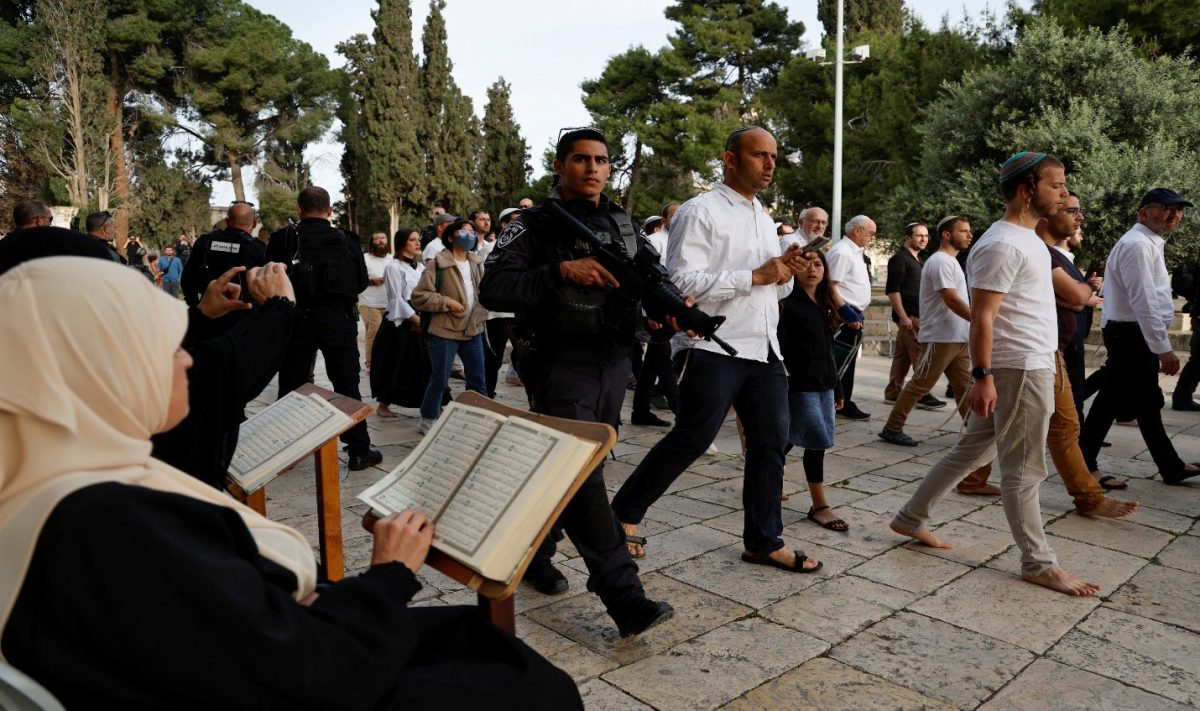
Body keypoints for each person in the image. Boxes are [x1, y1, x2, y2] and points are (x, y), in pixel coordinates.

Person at [0, 257, 582, 710]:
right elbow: (306, 676)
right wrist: (390, 575)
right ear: (92, 369)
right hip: (292, 684)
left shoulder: (59, 478)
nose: (187, 363)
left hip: (251, 657)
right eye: (165, 347)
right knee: (533, 690)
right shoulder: (104, 522)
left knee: (464, 631)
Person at [480, 127, 675, 636]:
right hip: (557, 360)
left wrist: (671, 311)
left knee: (568, 470)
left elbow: (653, 277)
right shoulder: (533, 225)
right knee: (582, 474)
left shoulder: (622, 222)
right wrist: (562, 271)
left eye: (602, 161)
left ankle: (534, 554)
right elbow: (494, 287)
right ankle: (623, 595)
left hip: (612, 359)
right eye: (582, 159)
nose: (593, 168)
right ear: (561, 166)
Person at [610, 126, 822, 574]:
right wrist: (756, 276)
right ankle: (623, 513)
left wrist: (785, 276)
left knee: (771, 444)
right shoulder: (700, 211)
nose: (769, 164)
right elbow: (679, 284)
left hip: (764, 349)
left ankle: (763, 541)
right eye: (759, 155)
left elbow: (766, 290)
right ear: (729, 159)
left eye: (773, 157)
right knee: (692, 437)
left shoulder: (763, 217)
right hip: (715, 345)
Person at [890, 151, 1100, 596]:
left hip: (1030, 363)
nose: (1064, 194)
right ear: (1027, 190)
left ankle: (910, 517)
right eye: (1056, 185)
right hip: (1018, 368)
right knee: (1024, 471)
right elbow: (983, 317)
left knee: (970, 451)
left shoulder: (1029, 241)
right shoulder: (1001, 244)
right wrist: (983, 375)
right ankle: (1038, 562)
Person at [1080, 188, 1200, 486]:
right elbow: (1143, 300)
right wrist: (1163, 349)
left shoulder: (1148, 243)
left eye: (1178, 209)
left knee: (1144, 404)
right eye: (1166, 207)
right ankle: (1083, 464)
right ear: (1143, 212)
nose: (1174, 214)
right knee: (1111, 401)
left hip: (1132, 333)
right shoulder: (1137, 245)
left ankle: (1170, 466)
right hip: (1131, 335)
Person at [878, 216, 995, 502]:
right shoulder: (941, 262)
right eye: (963, 231)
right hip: (942, 336)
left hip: (957, 336)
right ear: (946, 234)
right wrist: (979, 320)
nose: (969, 235)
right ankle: (892, 428)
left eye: (969, 231)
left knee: (965, 385)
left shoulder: (951, 261)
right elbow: (950, 298)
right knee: (920, 384)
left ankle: (974, 429)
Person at [266, 186, 382, 472]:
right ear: (330, 210)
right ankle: (358, 450)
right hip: (338, 321)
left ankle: (283, 455)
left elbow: (267, 279)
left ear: (299, 209)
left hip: (296, 320)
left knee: (291, 386)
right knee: (347, 384)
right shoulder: (347, 239)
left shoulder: (281, 239)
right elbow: (360, 283)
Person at [778, 250, 850, 531]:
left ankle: (762, 470)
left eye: (818, 264)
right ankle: (820, 506)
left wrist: (838, 387)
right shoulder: (787, 305)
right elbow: (782, 350)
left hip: (824, 385)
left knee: (791, 438)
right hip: (799, 385)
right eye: (805, 264)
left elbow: (828, 352)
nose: (812, 269)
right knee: (815, 442)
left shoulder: (823, 305)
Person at [411, 218, 488, 431]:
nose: (470, 236)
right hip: (445, 330)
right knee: (440, 379)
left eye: (473, 233)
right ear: (451, 236)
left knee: (478, 378)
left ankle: (477, 418)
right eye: (464, 232)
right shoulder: (438, 263)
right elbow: (419, 296)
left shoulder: (475, 263)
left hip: (472, 329)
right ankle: (428, 418)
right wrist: (446, 302)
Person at [884, 222, 946, 410]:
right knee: (921, 355)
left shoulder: (917, 260)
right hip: (910, 317)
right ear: (907, 237)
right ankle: (922, 394)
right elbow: (893, 291)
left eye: (926, 236)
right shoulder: (899, 259)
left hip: (917, 316)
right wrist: (903, 316)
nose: (923, 239)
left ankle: (893, 394)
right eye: (919, 235)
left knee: (902, 357)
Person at [825, 214, 876, 421]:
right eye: (870, 233)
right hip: (844, 315)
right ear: (857, 231)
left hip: (854, 314)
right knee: (839, 362)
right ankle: (837, 401)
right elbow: (830, 286)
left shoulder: (855, 252)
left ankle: (844, 401)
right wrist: (846, 313)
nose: (872, 237)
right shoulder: (842, 252)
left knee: (848, 363)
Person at [630, 214, 679, 427]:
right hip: (657, 313)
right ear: (664, 220)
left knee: (652, 365)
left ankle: (640, 411)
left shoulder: (679, 240)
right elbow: (646, 278)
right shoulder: (655, 241)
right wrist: (649, 314)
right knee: (664, 362)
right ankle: (682, 414)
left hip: (672, 310)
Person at [372, 228, 427, 418]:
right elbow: (396, 298)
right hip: (400, 322)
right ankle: (384, 404)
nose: (417, 243)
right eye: (413, 240)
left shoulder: (421, 267)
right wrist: (414, 318)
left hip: (421, 315)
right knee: (396, 363)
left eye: (418, 239)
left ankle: (434, 403)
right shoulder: (393, 267)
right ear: (403, 242)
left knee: (425, 363)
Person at [180, 202, 268, 312]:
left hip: (209, 309)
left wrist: (194, 305)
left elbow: (188, 277)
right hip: (243, 313)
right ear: (254, 224)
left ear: (227, 221)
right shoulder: (258, 248)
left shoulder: (205, 242)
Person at [481, 208, 521, 397]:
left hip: (519, 312)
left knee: (523, 355)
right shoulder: (489, 249)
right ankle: (487, 393)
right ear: (505, 225)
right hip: (495, 314)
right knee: (494, 357)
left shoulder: (526, 248)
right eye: (516, 221)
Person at [360, 232, 394, 372]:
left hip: (390, 303)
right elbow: (356, 280)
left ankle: (386, 362)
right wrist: (371, 281)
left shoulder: (392, 259)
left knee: (389, 335)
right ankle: (371, 363)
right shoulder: (364, 259)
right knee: (374, 333)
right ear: (371, 242)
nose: (381, 241)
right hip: (369, 302)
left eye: (383, 238)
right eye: (377, 239)